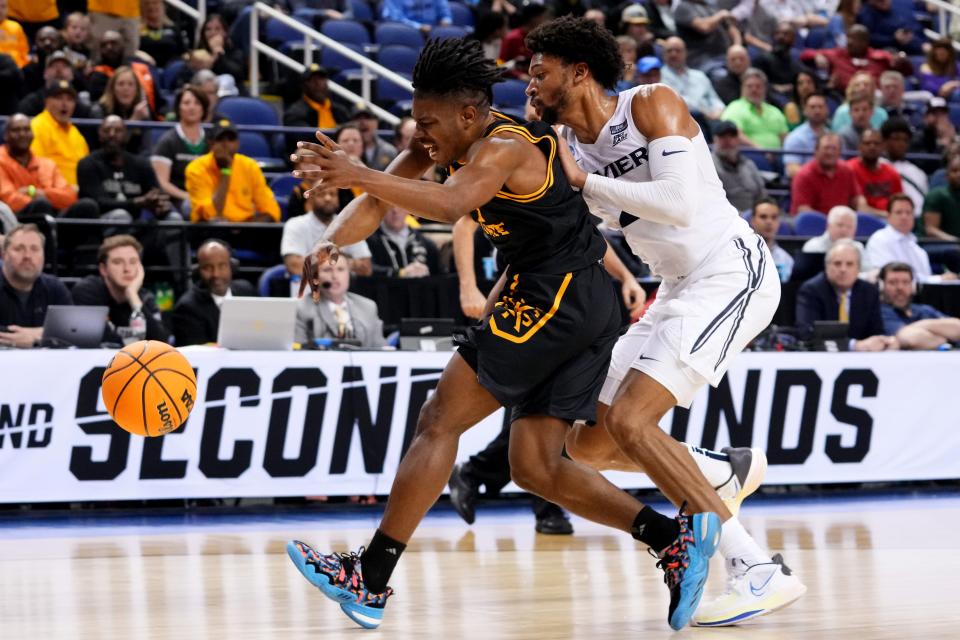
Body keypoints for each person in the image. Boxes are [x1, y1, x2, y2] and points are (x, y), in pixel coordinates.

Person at [287, 37, 720, 632]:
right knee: (535, 466)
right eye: (417, 122)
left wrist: (359, 171)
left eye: (429, 123)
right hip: (577, 301)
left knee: (440, 419)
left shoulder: (505, 146)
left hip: (556, 296)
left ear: (468, 113)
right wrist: (329, 239)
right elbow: (373, 198)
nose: (422, 135)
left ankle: (370, 577)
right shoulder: (441, 140)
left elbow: (450, 203)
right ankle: (671, 539)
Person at [526, 17, 804, 626]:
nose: (529, 83)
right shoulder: (566, 150)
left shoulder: (652, 103)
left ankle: (758, 570)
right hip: (674, 287)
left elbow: (678, 206)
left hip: (731, 272)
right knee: (588, 441)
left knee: (631, 419)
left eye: (539, 71)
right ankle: (716, 470)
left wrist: (584, 182)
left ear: (579, 73)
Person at [70, 234, 170, 345]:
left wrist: (132, 295)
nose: (127, 269)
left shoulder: (144, 298)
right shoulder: (88, 291)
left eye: (133, 262)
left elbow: (161, 344)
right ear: (104, 269)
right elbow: (96, 339)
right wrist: (137, 340)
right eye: (117, 262)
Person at [796, 239, 894, 349]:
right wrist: (853, 346)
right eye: (837, 264)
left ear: (858, 269)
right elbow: (807, 333)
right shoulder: (812, 290)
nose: (843, 269)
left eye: (850, 264)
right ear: (826, 266)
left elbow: (876, 331)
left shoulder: (869, 292)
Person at [0, 113, 97, 219]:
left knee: (87, 206)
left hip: (52, 213)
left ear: (33, 134)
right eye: (16, 130)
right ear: (6, 135)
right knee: (41, 205)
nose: (22, 134)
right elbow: (8, 199)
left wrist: (34, 192)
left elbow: (69, 197)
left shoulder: (47, 164)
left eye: (27, 129)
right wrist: (48, 198)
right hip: (14, 219)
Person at [184, 119, 281, 223]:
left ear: (237, 144)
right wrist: (226, 170)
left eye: (231, 139)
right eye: (220, 139)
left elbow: (271, 209)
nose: (225, 144)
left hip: (245, 226)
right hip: (210, 228)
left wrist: (246, 228)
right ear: (211, 144)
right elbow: (211, 214)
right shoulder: (196, 169)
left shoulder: (249, 166)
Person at [77, 116, 172, 222]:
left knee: (173, 218)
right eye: (106, 130)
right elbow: (98, 203)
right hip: (101, 225)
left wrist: (161, 206)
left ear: (126, 135)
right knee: (121, 216)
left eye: (118, 131)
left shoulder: (141, 164)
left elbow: (157, 194)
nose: (112, 134)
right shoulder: (88, 164)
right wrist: (136, 202)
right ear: (99, 135)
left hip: (136, 225)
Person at [281, 183, 372, 284]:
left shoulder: (350, 224)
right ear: (311, 200)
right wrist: (343, 260)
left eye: (332, 194)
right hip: (306, 287)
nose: (328, 198)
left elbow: (366, 268)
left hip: (344, 289)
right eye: (321, 194)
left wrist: (316, 260)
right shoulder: (295, 224)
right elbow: (294, 266)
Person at [171, 239, 255, 346]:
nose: (216, 274)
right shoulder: (187, 308)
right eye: (208, 268)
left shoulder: (246, 290)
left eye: (222, 266)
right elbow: (195, 354)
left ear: (232, 266)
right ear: (198, 271)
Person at [0, 223, 70, 348]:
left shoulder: (54, 287)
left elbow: (72, 332)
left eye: (34, 249)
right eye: (19, 249)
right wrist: (46, 334)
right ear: (4, 254)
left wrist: (35, 338)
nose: (27, 256)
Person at [294, 256, 386, 347]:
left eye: (340, 269)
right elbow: (297, 352)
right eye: (327, 270)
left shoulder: (368, 307)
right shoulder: (301, 308)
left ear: (349, 274)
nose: (334, 276)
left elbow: (381, 349)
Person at [867, 194, 956, 284]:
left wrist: (941, 278)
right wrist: (938, 279)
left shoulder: (918, 249)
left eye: (908, 213)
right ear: (888, 217)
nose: (904, 217)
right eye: (899, 212)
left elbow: (924, 282)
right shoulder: (880, 239)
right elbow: (891, 277)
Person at [150, 85, 209, 214]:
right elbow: (162, 183)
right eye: (186, 103)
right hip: (175, 201)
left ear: (203, 108)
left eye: (197, 103)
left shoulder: (212, 141)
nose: (192, 107)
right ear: (179, 108)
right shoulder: (167, 141)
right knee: (190, 207)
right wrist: (188, 197)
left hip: (207, 197)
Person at [879, 261, 960, 349]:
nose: (900, 288)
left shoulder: (924, 310)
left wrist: (922, 326)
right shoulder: (880, 312)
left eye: (905, 282)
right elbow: (909, 337)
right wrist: (948, 339)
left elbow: (957, 327)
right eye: (893, 282)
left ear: (913, 286)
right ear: (882, 286)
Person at [29, 79, 89, 187]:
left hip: (78, 193)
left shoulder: (77, 135)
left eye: (70, 99)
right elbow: (36, 167)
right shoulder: (37, 126)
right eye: (59, 98)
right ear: (47, 101)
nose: (64, 104)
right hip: (51, 191)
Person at [790, 133, 867, 215]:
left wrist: (862, 206)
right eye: (826, 148)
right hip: (813, 225)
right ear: (816, 150)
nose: (830, 152)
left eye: (834, 148)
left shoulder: (847, 171)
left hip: (842, 223)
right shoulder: (804, 175)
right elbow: (803, 210)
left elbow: (857, 199)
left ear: (840, 152)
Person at [283, 64, 351, 153]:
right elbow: (307, 139)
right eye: (313, 80)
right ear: (304, 85)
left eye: (322, 79)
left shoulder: (340, 110)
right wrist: (340, 133)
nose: (319, 84)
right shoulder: (294, 113)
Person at [90, 66, 155, 153]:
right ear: (112, 88)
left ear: (137, 90)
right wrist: (134, 121)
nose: (126, 89)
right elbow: (110, 149)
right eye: (121, 84)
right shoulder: (99, 111)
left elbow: (146, 150)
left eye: (130, 84)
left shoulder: (142, 112)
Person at [720, 67, 788, 148]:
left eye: (758, 86)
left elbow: (784, 137)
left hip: (778, 156)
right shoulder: (734, 108)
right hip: (749, 155)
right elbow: (734, 135)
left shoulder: (774, 111)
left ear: (765, 88)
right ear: (742, 88)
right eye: (749, 86)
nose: (754, 90)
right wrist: (760, 150)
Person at [660, 37, 724, 120]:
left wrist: (718, 111)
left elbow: (714, 99)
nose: (673, 54)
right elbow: (677, 102)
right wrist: (704, 113)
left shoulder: (699, 76)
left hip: (711, 119)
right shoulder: (659, 77)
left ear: (685, 53)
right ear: (663, 54)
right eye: (669, 51)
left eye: (677, 50)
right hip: (683, 120)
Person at [16, 50, 94, 118]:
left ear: (72, 74)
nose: (59, 70)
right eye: (53, 66)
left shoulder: (82, 108)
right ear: (45, 73)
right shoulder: (31, 103)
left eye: (64, 66)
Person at [368, 206, 441, 277]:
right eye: (389, 205)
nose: (395, 210)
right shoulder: (368, 239)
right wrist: (400, 273)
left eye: (399, 205)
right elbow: (365, 270)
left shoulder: (426, 243)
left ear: (408, 209)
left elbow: (440, 276)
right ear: (380, 208)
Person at [711, 120, 767, 211]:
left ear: (738, 139)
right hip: (725, 218)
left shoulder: (749, 164)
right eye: (723, 137)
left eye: (732, 136)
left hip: (754, 216)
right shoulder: (710, 165)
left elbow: (762, 194)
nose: (728, 141)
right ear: (715, 139)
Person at [847, 128, 902, 215]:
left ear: (883, 146)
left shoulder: (892, 173)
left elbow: (899, 204)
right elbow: (860, 208)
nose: (872, 147)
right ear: (859, 147)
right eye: (867, 143)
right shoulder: (849, 170)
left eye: (876, 144)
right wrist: (886, 215)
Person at [673, 0, 741, 70]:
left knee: (749, 75)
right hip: (703, 60)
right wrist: (720, 15)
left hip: (725, 56)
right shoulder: (683, 7)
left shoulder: (710, 6)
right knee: (721, 75)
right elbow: (704, 27)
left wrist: (737, 48)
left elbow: (733, 30)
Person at [752, 21, 805, 105]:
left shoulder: (795, 62)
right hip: (769, 99)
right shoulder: (761, 59)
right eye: (777, 33)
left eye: (785, 34)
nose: (780, 37)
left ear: (793, 38)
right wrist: (774, 87)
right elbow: (754, 82)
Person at [801, 205, 869, 270]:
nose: (844, 230)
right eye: (840, 225)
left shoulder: (858, 247)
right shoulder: (813, 246)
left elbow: (867, 273)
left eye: (849, 227)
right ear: (828, 226)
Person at [882, 117, 927, 212]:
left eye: (905, 140)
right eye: (896, 139)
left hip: (917, 219)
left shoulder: (917, 172)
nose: (901, 144)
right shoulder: (877, 166)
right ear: (884, 141)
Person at [783, 92, 830, 177]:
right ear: (805, 110)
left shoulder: (832, 137)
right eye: (812, 107)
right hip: (806, 185)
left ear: (827, 110)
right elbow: (792, 170)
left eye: (820, 107)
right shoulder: (795, 137)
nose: (817, 111)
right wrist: (818, 179)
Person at [193, 14, 244, 87]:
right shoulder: (198, 53)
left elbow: (237, 75)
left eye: (217, 29)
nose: (212, 33)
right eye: (208, 29)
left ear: (225, 33)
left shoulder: (234, 51)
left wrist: (219, 54)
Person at [751, 196, 793, 282]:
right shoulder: (739, 254)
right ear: (753, 221)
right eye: (763, 217)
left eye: (774, 217)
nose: (769, 222)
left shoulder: (786, 259)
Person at [139, 0, 190, 69]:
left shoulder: (173, 28)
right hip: (144, 67)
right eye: (147, 4)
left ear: (163, 6)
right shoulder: (137, 30)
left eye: (155, 3)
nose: (151, 6)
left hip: (172, 68)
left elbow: (183, 52)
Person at [920, 153, 960, 242]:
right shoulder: (936, 195)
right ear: (946, 176)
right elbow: (930, 229)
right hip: (939, 246)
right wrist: (955, 241)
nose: (958, 174)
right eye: (954, 171)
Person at [353, 106, 398, 171]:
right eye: (358, 118)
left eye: (367, 118)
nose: (362, 122)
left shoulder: (389, 151)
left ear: (376, 122)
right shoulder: (346, 150)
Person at [381, 0, 452, 33]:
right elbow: (395, 17)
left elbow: (445, 12)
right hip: (407, 31)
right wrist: (419, 27)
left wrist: (446, 20)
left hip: (433, 30)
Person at [0, 0, 29, 68]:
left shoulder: (16, 26)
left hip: (16, 68)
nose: (0, 10)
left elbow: (24, 52)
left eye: (3, 6)